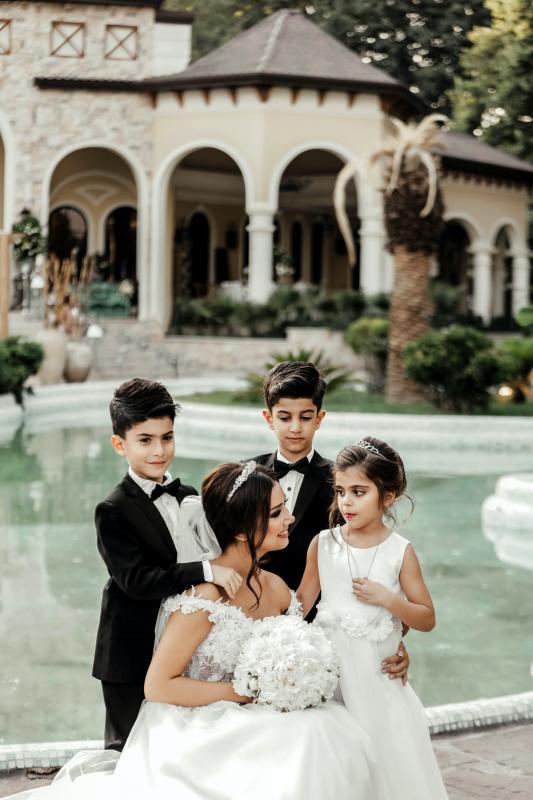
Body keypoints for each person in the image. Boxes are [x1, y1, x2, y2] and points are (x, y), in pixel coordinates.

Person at [10, 462, 384, 800]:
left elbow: (313, 634)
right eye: (275, 513)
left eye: (284, 508)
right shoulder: (204, 598)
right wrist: (246, 693)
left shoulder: (274, 587)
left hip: (257, 717)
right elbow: (158, 686)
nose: (289, 518)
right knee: (304, 740)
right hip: (196, 726)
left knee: (327, 729)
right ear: (240, 530)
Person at [92, 378, 242, 751]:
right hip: (131, 648)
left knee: (174, 749)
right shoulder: (113, 510)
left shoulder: (188, 495)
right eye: (145, 440)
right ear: (119, 444)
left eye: (167, 437)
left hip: (179, 645)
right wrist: (207, 572)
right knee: (129, 751)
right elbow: (137, 580)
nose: (159, 450)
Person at [298, 437, 448, 800]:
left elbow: (426, 618)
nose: (346, 501)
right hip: (332, 679)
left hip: (378, 681)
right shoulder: (324, 543)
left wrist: (388, 600)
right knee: (338, 765)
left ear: (388, 497)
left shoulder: (399, 552)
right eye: (341, 491)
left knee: (388, 761)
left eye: (359, 492)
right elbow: (300, 604)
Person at [255, 360, 409, 678]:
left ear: (320, 418)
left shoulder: (342, 484)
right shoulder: (248, 476)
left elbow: (369, 556)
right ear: (269, 419)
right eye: (284, 417)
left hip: (323, 634)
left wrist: (392, 639)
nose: (295, 427)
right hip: (255, 615)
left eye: (305, 417)